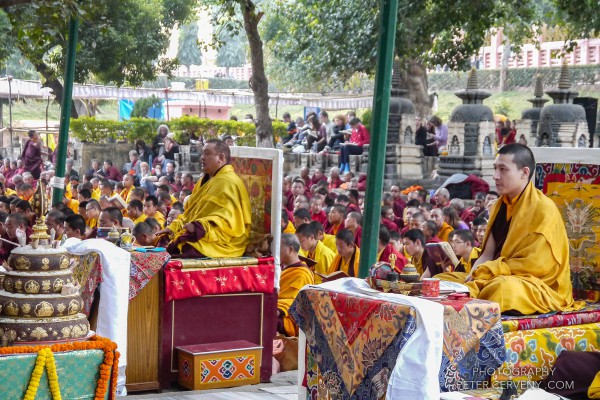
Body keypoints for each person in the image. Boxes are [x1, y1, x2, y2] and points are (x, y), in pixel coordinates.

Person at [437, 144, 581, 314]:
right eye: (495, 168)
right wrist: (475, 274)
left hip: (535, 284)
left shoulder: (543, 209)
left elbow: (536, 266)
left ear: (524, 172)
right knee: (441, 280)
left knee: (503, 289)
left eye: (503, 169)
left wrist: (489, 271)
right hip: (497, 275)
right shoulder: (500, 205)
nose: (496, 176)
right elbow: (488, 254)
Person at [158, 139, 251, 258]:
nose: (202, 157)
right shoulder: (204, 180)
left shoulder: (229, 183)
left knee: (186, 247)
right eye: (202, 153)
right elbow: (191, 213)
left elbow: (229, 222)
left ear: (221, 157)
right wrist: (173, 227)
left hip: (224, 240)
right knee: (164, 240)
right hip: (201, 232)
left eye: (207, 154)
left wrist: (199, 226)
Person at [278, 233, 314, 337]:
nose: (275, 252)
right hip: (280, 310)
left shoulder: (302, 274)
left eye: (279, 248)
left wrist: (277, 310)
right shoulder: (283, 267)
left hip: (290, 319)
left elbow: (292, 299)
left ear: (290, 249)